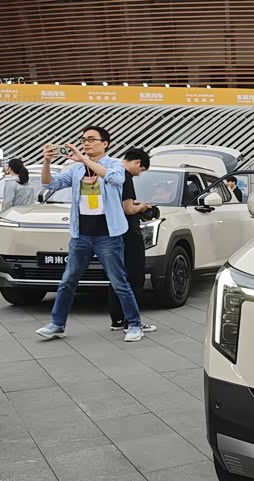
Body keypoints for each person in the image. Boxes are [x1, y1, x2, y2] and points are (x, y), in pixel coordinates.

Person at [34, 126, 146, 342]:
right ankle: (57, 324)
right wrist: (46, 162)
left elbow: (116, 179)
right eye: (84, 139)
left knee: (119, 282)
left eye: (91, 139)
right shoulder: (76, 169)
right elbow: (50, 183)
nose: (86, 143)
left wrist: (84, 160)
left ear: (105, 143)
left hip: (108, 234)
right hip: (81, 234)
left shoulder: (114, 165)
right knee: (67, 281)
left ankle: (134, 324)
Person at [107, 148, 157, 333]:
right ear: (137, 162)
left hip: (113, 232)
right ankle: (132, 321)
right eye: (141, 170)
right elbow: (128, 209)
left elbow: (118, 204)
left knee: (117, 276)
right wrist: (141, 206)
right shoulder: (125, 177)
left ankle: (117, 319)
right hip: (129, 233)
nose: (139, 174)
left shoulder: (111, 174)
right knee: (135, 277)